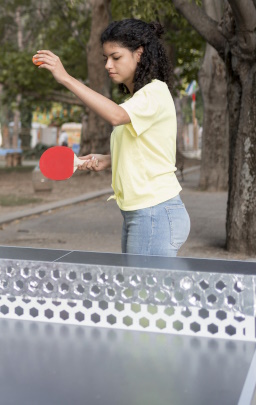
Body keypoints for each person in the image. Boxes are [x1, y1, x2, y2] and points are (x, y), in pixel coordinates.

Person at [33, 18, 190, 257]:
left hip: (155, 212)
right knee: (135, 291)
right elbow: (146, 151)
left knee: (140, 293)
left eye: (115, 57)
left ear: (139, 53)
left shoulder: (155, 91)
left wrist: (65, 78)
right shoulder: (137, 100)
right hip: (140, 212)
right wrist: (106, 160)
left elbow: (116, 116)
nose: (108, 64)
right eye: (105, 58)